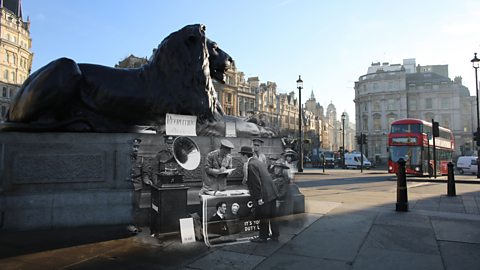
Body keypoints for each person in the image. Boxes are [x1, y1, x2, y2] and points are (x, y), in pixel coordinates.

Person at [239, 145, 279, 243]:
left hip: (264, 194)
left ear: (245, 156)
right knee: (272, 216)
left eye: (241, 156)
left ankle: (262, 237)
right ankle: (275, 235)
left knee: (263, 216)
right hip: (272, 192)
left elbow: (256, 182)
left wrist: (259, 198)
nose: (241, 158)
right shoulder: (257, 161)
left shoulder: (251, 164)